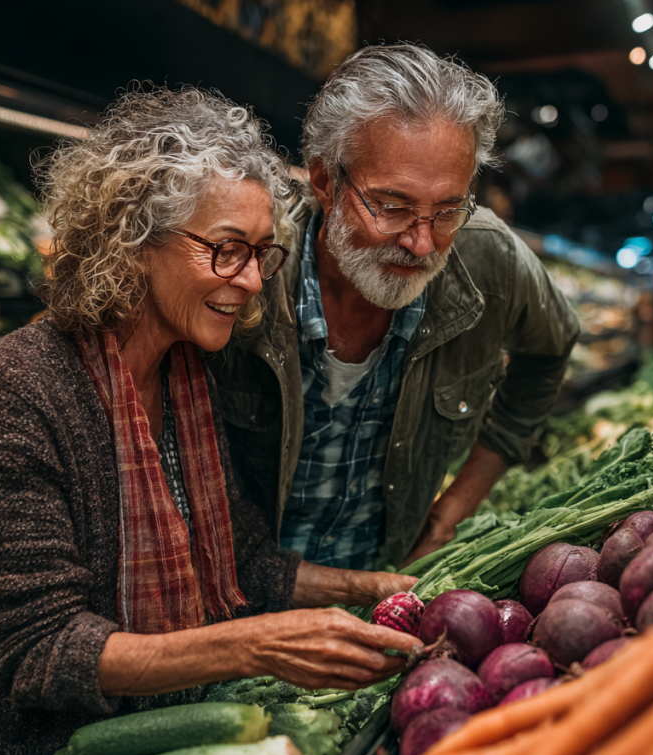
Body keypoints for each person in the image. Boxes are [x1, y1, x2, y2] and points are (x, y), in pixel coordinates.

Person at [0, 86, 419, 755]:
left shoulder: (190, 378)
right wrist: (256, 644)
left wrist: (372, 587)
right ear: (131, 243)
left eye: (261, 253)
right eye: (225, 248)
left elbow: (246, 561)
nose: (252, 281)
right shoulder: (19, 394)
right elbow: (37, 647)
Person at [209, 44, 581, 572]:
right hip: (235, 605)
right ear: (324, 181)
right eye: (392, 207)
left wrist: (459, 501)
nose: (423, 244)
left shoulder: (488, 256)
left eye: (448, 209)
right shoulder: (250, 269)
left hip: (390, 597)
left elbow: (552, 347)